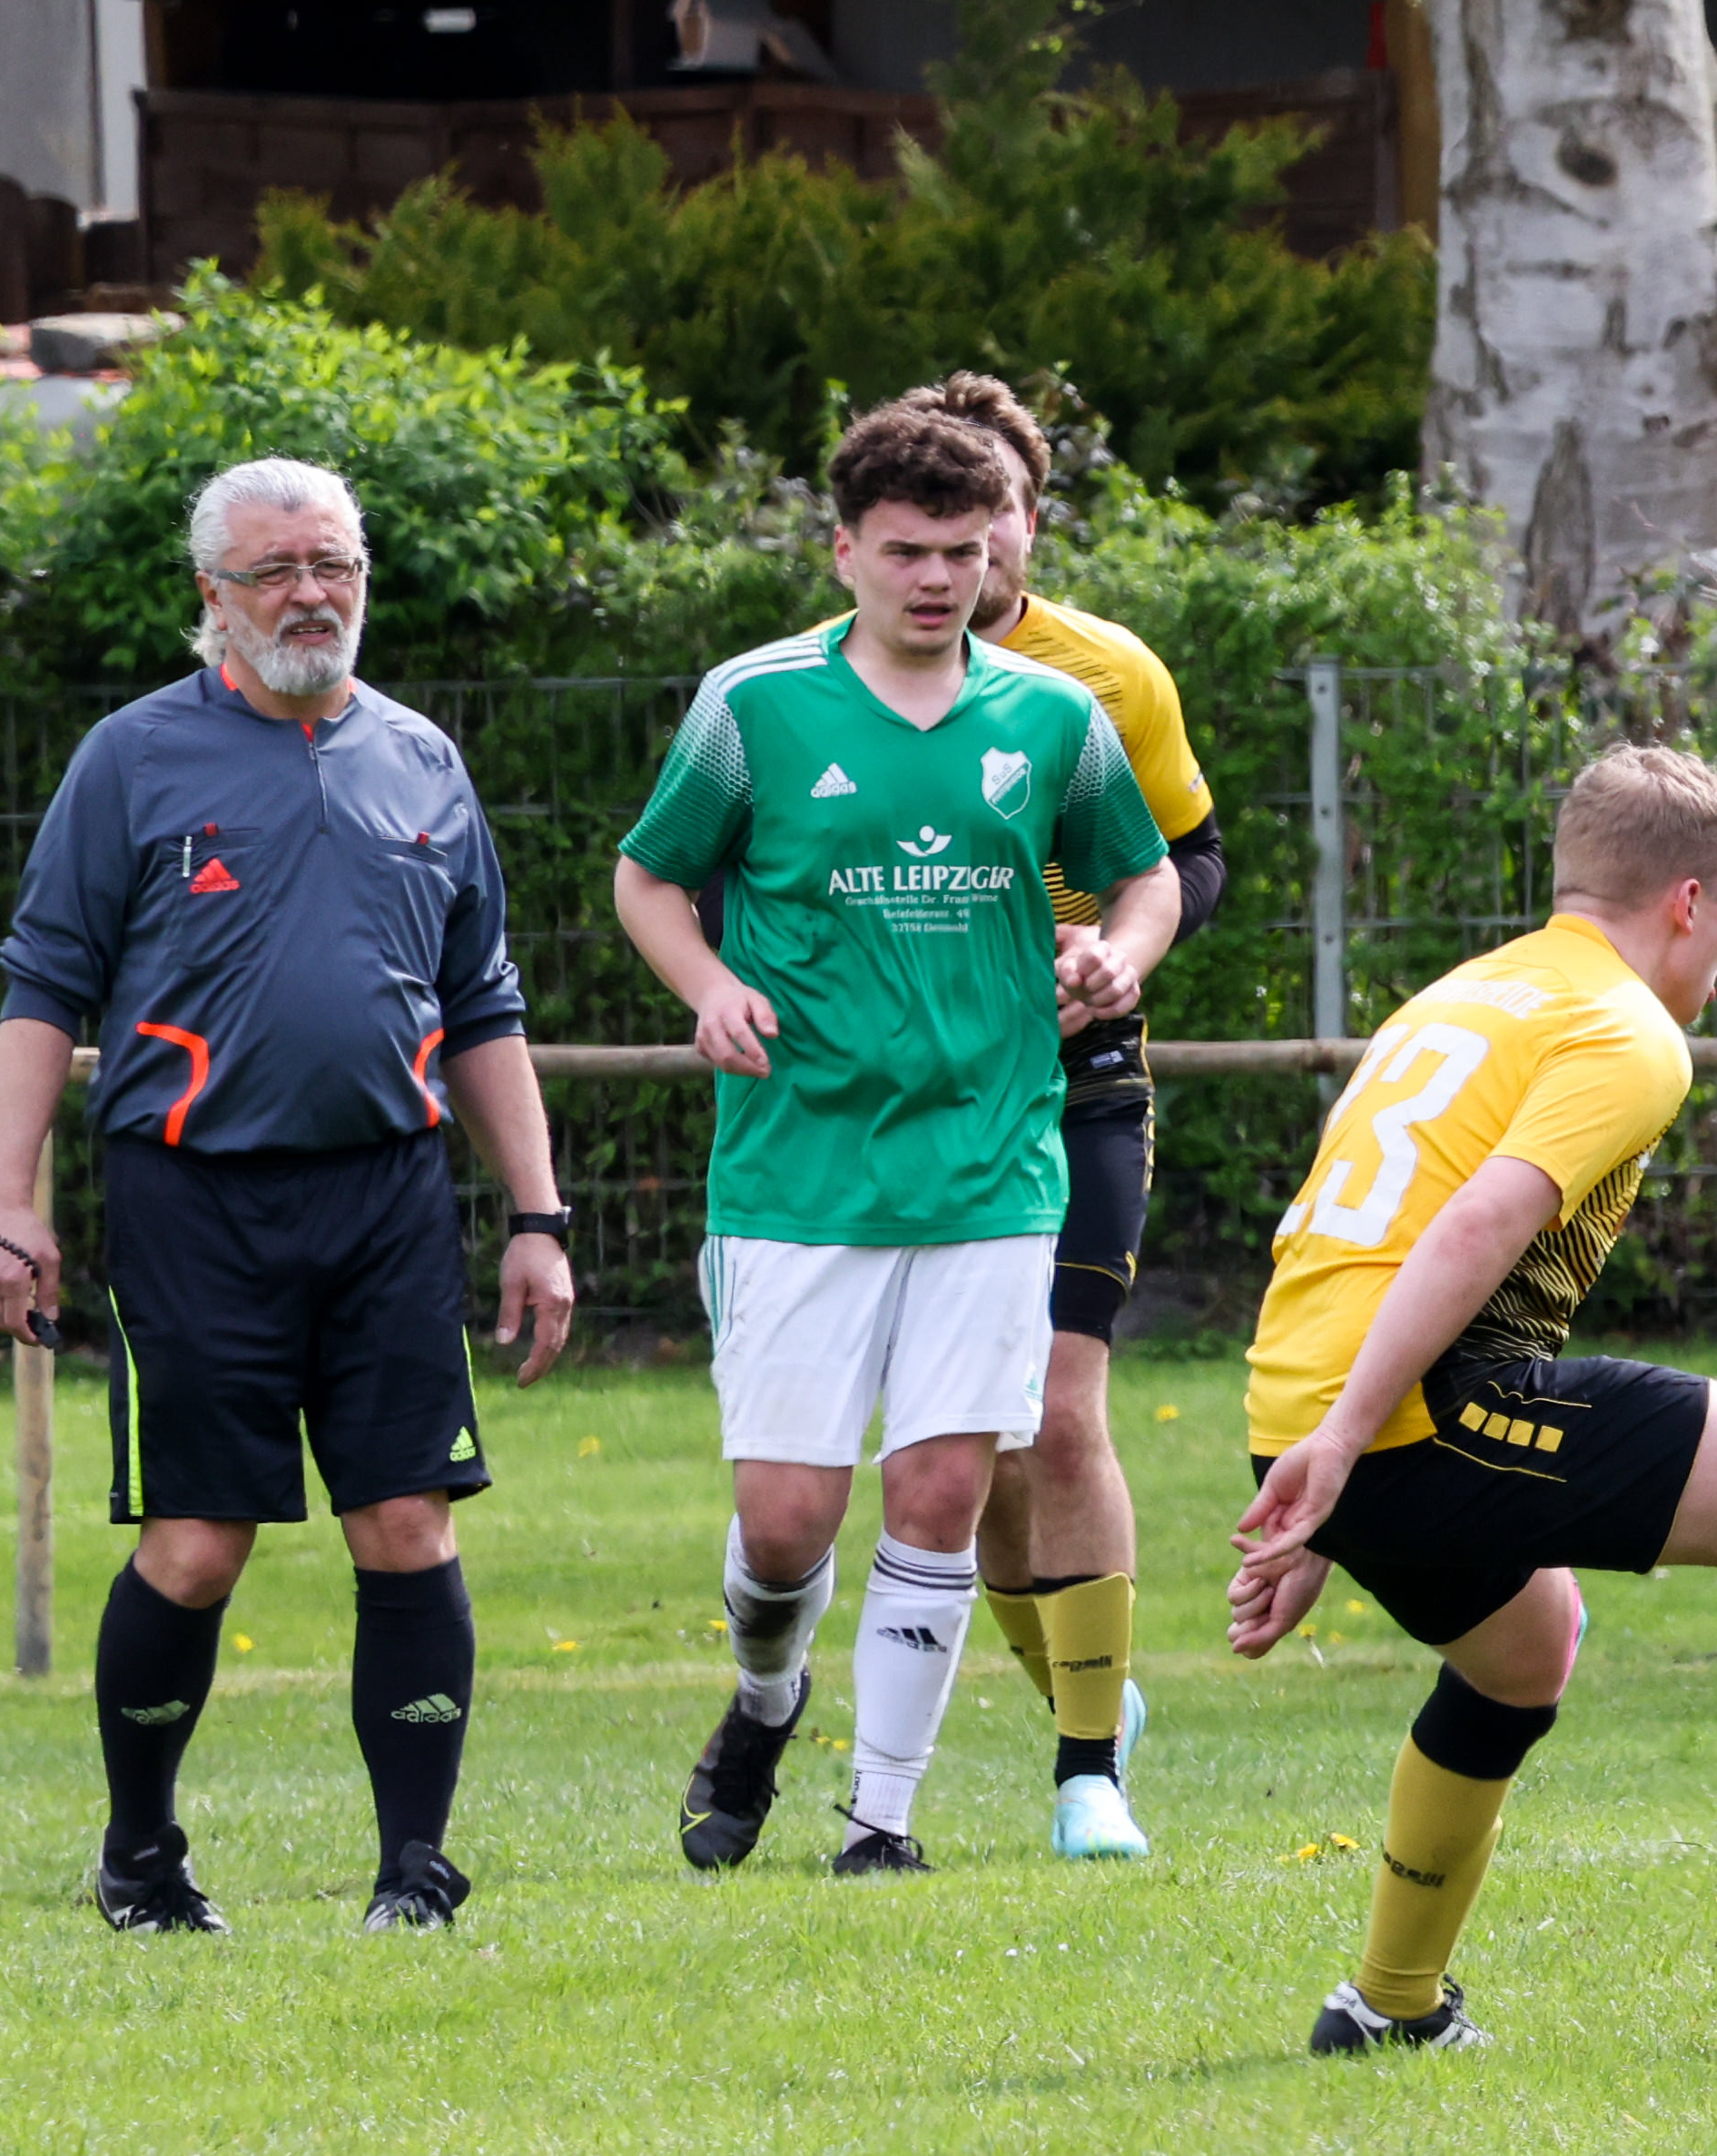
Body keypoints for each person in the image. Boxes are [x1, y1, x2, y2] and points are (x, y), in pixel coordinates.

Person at [0, 457, 580, 1936]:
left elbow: (483, 1003)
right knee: (195, 1543)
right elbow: (44, 990)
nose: (312, 595)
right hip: (192, 1201)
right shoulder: (133, 758)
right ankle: (141, 1855)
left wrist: (539, 1216)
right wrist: (5, 1201)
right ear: (213, 596)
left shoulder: (423, 758)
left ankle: (415, 1874)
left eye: (335, 566)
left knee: (409, 1523)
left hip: (388, 1198)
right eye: (276, 572)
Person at [1227, 746, 1717, 2053]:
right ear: (1687, 901)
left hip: (1314, 1407)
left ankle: (1388, 2004)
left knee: (1524, 1648)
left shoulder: (1464, 995)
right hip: (1417, 1408)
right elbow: (1474, 1223)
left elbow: (1348, 1229)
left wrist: (1320, 1466)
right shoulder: (1626, 1028)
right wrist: (1347, 1448)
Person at [612, 409, 1180, 1877]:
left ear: (999, 550)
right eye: (908, 551)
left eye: (964, 551)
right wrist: (709, 984)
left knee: (939, 1490)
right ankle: (764, 1699)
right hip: (796, 1169)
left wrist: (1120, 954)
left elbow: (1149, 876)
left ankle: (883, 1821)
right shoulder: (754, 706)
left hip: (992, 1160)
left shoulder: (1053, 717)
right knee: (786, 1521)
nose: (937, 578)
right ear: (845, 550)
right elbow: (648, 878)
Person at [827, 375, 1227, 1863]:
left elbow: (1190, 860)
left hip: (1078, 1084)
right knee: (975, 1444)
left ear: (1027, 520)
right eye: (931, 527)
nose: (965, 550)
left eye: (988, 516)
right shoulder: (816, 686)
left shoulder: (1107, 676)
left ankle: (1087, 1774)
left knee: (1060, 1410)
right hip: (916, 1098)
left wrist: (1111, 956)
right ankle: (1080, 1692)